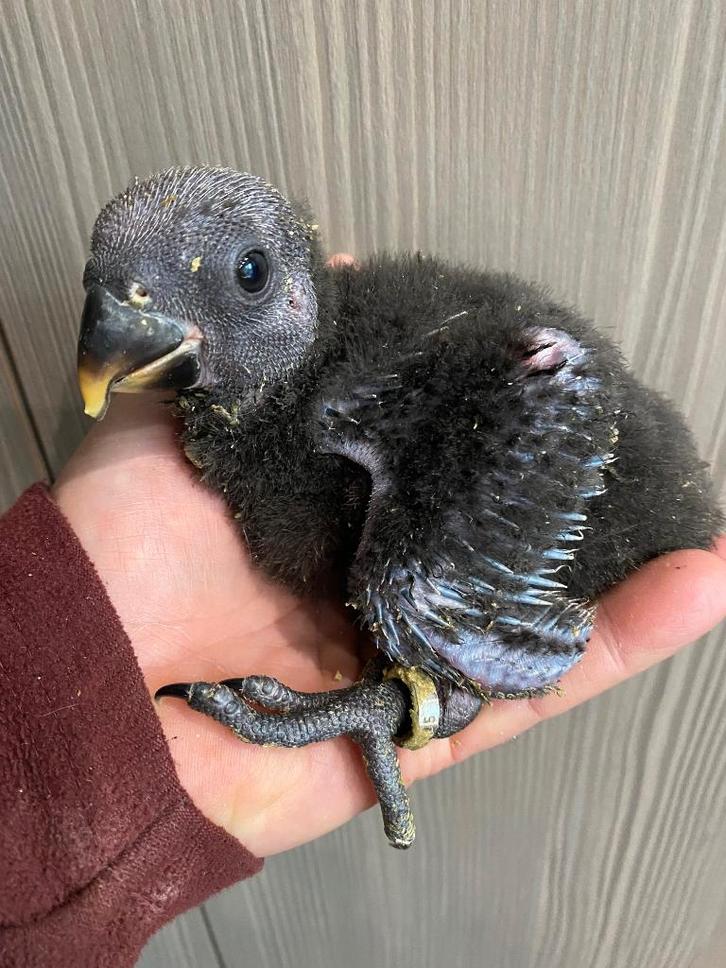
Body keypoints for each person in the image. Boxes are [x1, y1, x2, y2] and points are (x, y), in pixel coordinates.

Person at [2, 257, 725, 966]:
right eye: (114, 282)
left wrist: (424, 686)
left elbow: (543, 374)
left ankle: (438, 665)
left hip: (547, 435)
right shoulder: (298, 401)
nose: (131, 306)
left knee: (418, 599)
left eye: (251, 275)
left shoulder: (366, 447)